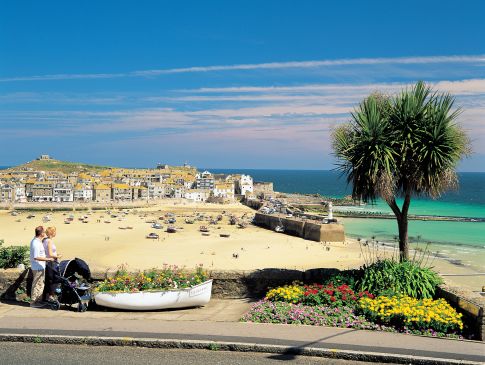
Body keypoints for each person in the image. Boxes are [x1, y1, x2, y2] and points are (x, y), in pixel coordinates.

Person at [29, 226, 54, 308]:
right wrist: (48, 259)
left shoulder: (37, 241)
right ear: (41, 233)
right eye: (44, 232)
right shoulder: (36, 243)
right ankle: (33, 303)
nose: (45, 233)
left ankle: (38, 302)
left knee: (40, 284)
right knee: (36, 285)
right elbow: (36, 257)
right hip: (37, 267)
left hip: (39, 266)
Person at [43, 226, 61, 302]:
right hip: (51, 262)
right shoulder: (49, 241)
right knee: (53, 279)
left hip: (47, 262)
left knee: (48, 280)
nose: (56, 233)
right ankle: (51, 296)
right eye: (55, 231)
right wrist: (58, 256)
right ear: (52, 232)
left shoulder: (44, 240)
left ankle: (47, 297)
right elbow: (50, 254)